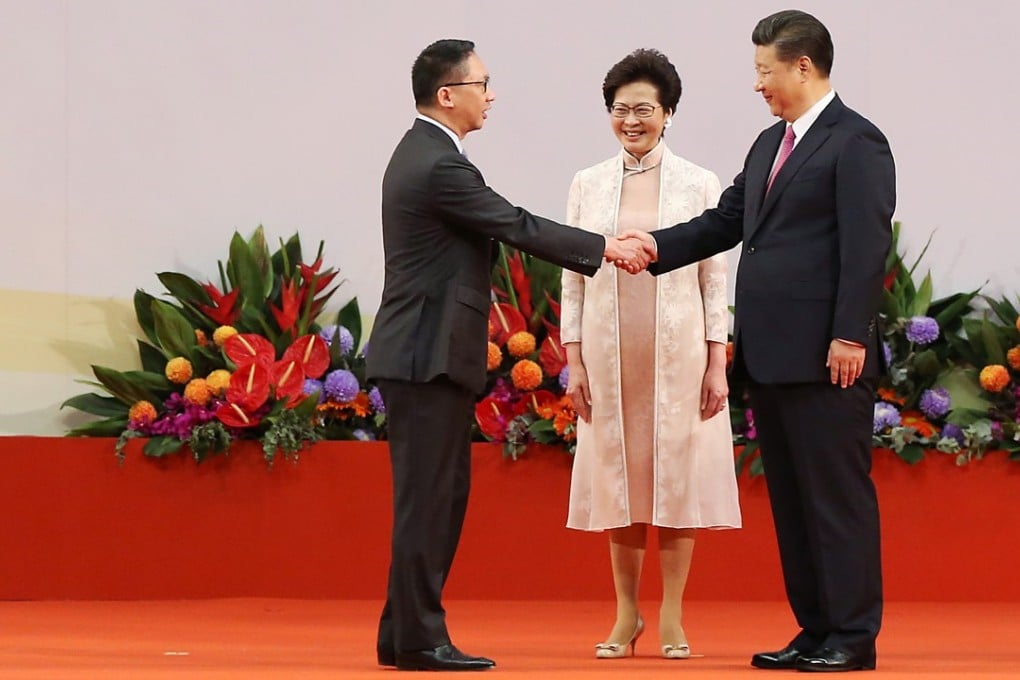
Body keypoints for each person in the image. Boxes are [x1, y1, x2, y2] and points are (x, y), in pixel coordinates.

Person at [621, 10, 895, 673]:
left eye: (764, 71)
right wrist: (656, 245)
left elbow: (866, 246)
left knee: (834, 502)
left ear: (803, 66)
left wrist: (848, 334)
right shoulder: (770, 144)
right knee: (797, 506)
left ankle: (852, 637)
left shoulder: (856, 141)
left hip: (829, 358)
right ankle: (815, 629)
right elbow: (727, 221)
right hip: (775, 358)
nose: (758, 85)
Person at [366, 39, 649, 672]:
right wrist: (605, 247)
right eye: (483, 84)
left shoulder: (429, 154)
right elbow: (514, 223)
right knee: (430, 502)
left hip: (424, 352)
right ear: (448, 94)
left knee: (430, 499)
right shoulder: (438, 162)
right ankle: (417, 638)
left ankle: (402, 632)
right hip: (425, 352)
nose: (491, 96)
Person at [560, 48, 741, 661]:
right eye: (619, 109)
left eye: (643, 109)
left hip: (680, 352)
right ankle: (625, 613)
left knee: (676, 479)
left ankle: (672, 614)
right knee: (621, 481)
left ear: (669, 114)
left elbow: (716, 278)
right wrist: (575, 357)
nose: (630, 120)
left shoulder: (699, 182)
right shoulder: (587, 183)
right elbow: (572, 278)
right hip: (612, 355)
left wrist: (717, 359)